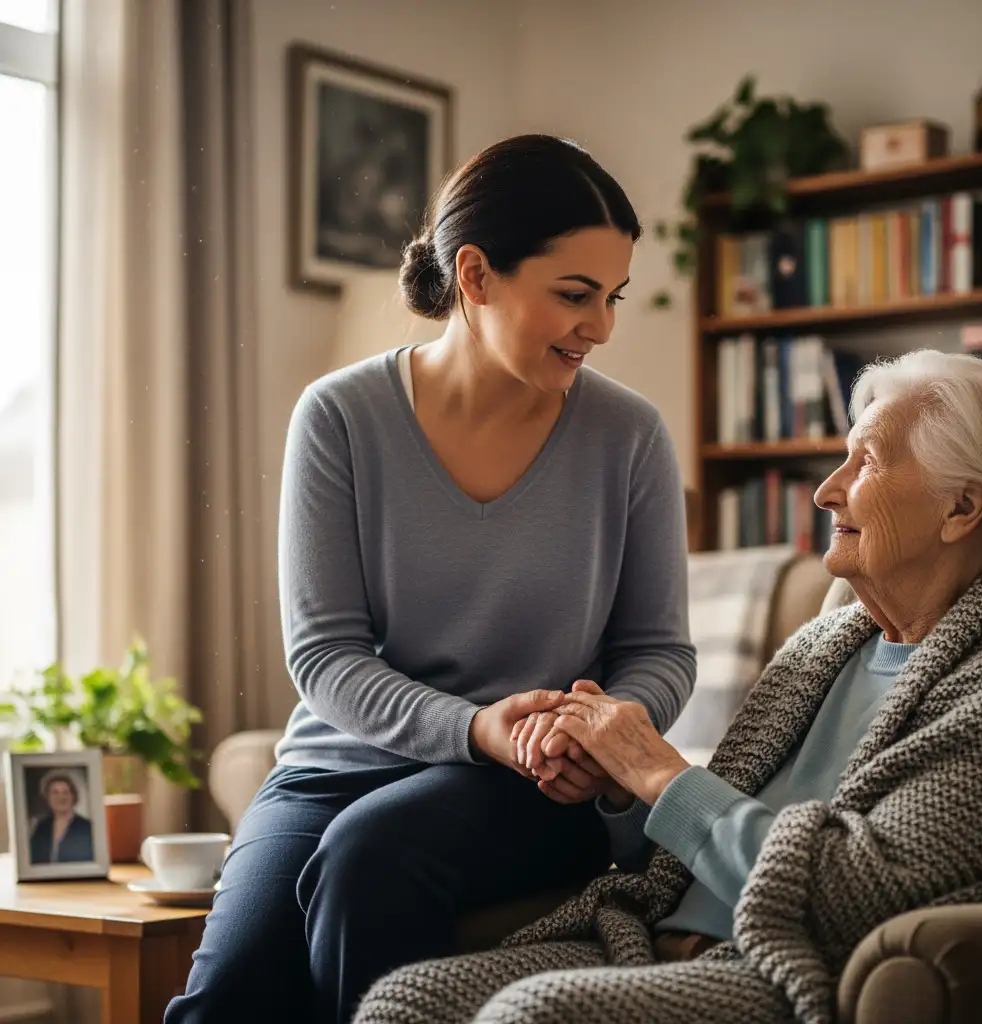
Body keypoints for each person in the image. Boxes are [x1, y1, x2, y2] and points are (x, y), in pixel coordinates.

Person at [166, 134, 696, 1024]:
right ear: (477, 276)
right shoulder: (339, 416)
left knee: (370, 856)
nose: (600, 327)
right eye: (574, 294)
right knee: (227, 995)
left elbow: (657, 650)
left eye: (612, 297)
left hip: (530, 785)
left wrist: (591, 735)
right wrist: (476, 726)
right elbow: (327, 656)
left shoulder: (629, 437)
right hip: (341, 766)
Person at [356, 348, 982, 1024]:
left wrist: (657, 771)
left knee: (534, 1016)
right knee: (403, 1004)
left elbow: (849, 894)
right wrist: (619, 785)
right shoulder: (821, 648)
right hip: (646, 941)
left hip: (779, 967)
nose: (826, 490)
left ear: (962, 507)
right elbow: (687, 847)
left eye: (868, 462)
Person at [28, 770, 94, 864]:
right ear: (48, 798)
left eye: (66, 792)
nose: (61, 797)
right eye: (55, 793)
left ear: (73, 796)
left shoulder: (87, 827)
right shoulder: (41, 827)